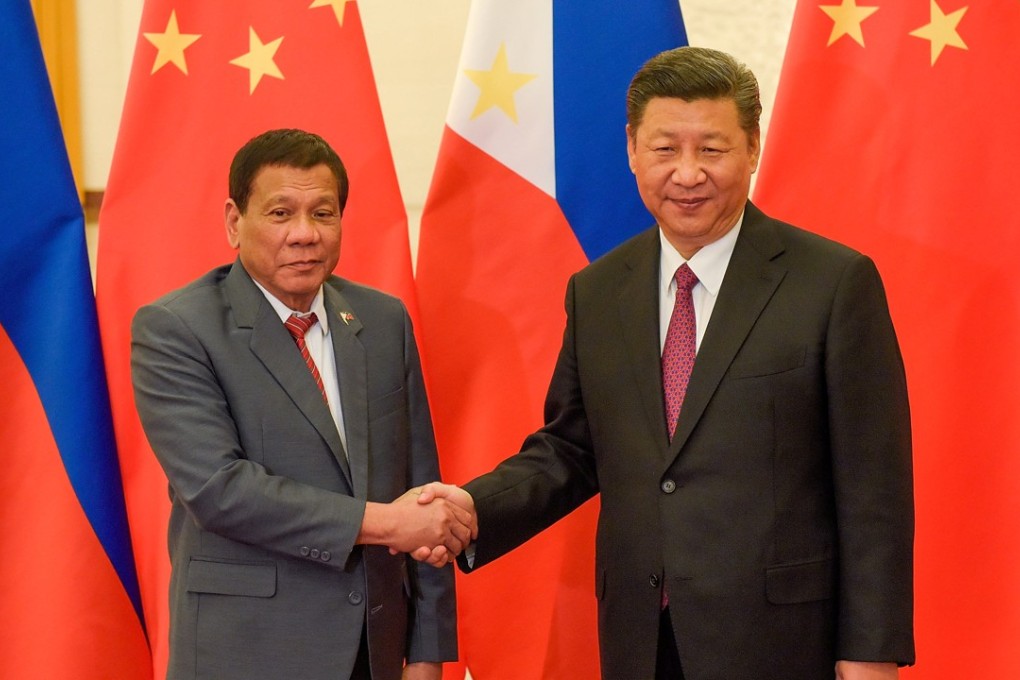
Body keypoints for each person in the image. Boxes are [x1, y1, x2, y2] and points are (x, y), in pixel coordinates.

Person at [414, 47, 914, 679]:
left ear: (753, 147)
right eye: (664, 149)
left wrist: (870, 654)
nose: (687, 173)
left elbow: (875, 490)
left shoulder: (834, 284)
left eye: (711, 148)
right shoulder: (598, 291)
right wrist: (468, 509)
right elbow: (572, 449)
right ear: (631, 148)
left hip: (782, 642)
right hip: (640, 639)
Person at [131, 128, 469, 680]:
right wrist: (386, 524)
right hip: (247, 652)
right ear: (234, 222)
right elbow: (219, 491)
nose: (305, 235)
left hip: (374, 652)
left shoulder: (383, 322)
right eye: (281, 213)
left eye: (324, 213)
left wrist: (428, 652)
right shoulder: (176, 329)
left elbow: (422, 488)